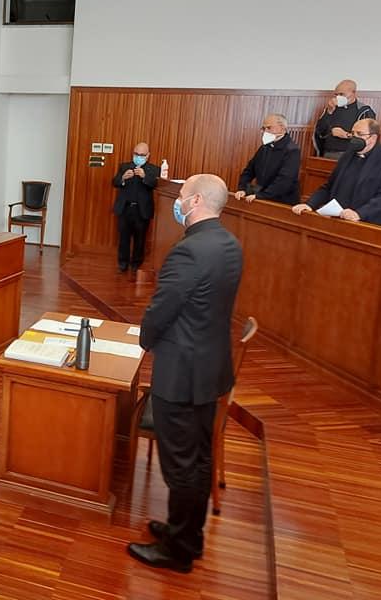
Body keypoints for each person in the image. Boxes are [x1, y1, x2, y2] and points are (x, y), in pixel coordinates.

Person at [128, 174, 243, 574]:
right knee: (196, 459)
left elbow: (163, 308)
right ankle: (187, 535)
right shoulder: (230, 244)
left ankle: (178, 551)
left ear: (195, 201)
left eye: (180, 197)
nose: (176, 203)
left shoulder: (189, 251)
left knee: (180, 464)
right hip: (211, 368)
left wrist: (144, 337)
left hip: (182, 372)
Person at [292, 118, 381, 227]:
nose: (354, 137)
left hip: (370, 224)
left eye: (359, 134)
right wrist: (309, 204)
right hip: (340, 219)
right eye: (353, 133)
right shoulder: (347, 155)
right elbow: (329, 186)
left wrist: (359, 213)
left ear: (373, 138)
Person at [112, 142, 160, 272]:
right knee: (123, 238)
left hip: (141, 210)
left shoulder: (154, 169)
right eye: (136, 154)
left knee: (140, 239)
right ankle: (123, 264)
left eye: (142, 155)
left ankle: (136, 264)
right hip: (125, 208)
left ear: (148, 155)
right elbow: (114, 182)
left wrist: (144, 177)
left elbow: (155, 184)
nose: (138, 157)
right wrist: (122, 178)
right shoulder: (125, 166)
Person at [234, 113, 301, 205]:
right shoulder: (265, 148)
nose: (265, 131)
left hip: (282, 201)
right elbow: (249, 170)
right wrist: (242, 189)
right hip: (261, 196)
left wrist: (262, 195)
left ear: (282, 128)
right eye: (263, 128)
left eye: (269, 128)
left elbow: (284, 180)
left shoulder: (292, 150)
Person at [312, 79, 376, 159]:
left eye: (342, 94)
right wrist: (329, 112)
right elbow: (320, 132)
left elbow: (368, 138)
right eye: (336, 94)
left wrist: (346, 135)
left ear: (353, 93)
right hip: (328, 153)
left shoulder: (364, 111)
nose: (338, 97)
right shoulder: (332, 107)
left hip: (351, 156)